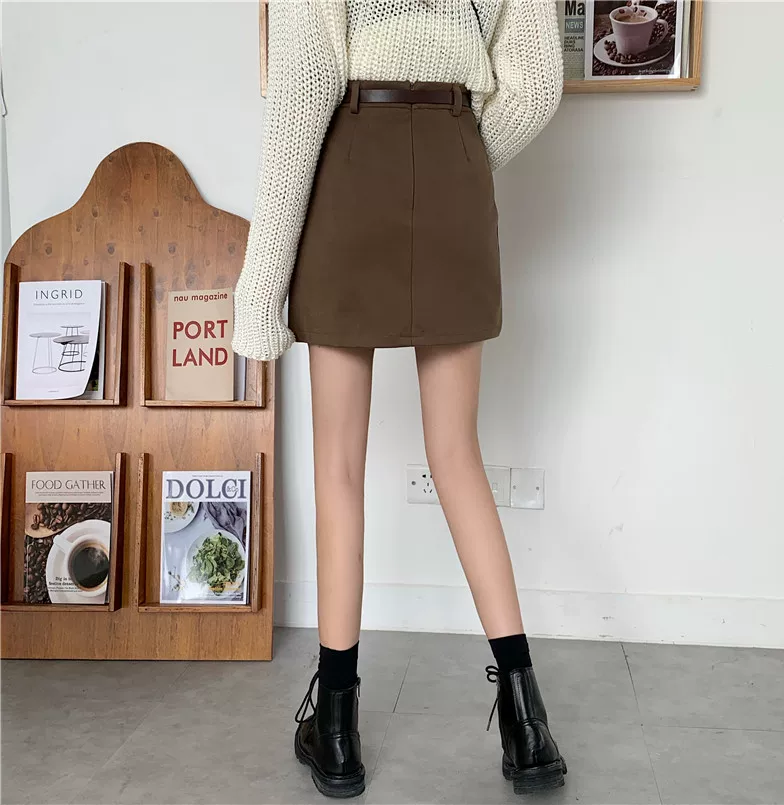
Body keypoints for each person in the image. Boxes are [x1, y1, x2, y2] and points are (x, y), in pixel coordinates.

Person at [232, 0, 565, 797]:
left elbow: (300, 106)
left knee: (339, 468)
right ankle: (528, 728)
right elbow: (536, 86)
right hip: (454, 170)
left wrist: (257, 295)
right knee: (458, 456)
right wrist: (456, 153)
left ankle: (337, 732)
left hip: (352, 172)